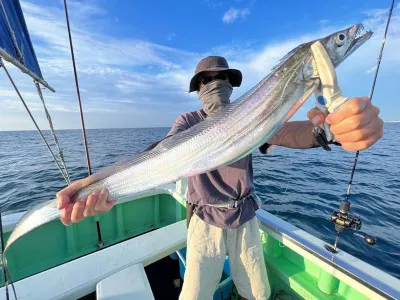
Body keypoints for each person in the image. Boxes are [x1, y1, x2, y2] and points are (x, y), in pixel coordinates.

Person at [56, 56, 383, 300]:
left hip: (245, 217)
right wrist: (98, 185)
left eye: (222, 77)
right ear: (198, 89)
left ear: (232, 82)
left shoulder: (252, 116)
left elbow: (291, 132)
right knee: (195, 293)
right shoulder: (188, 120)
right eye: (206, 79)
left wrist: (332, 130)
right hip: (204, 221)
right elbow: (158, 156)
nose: (215, 83)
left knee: (257, 292)